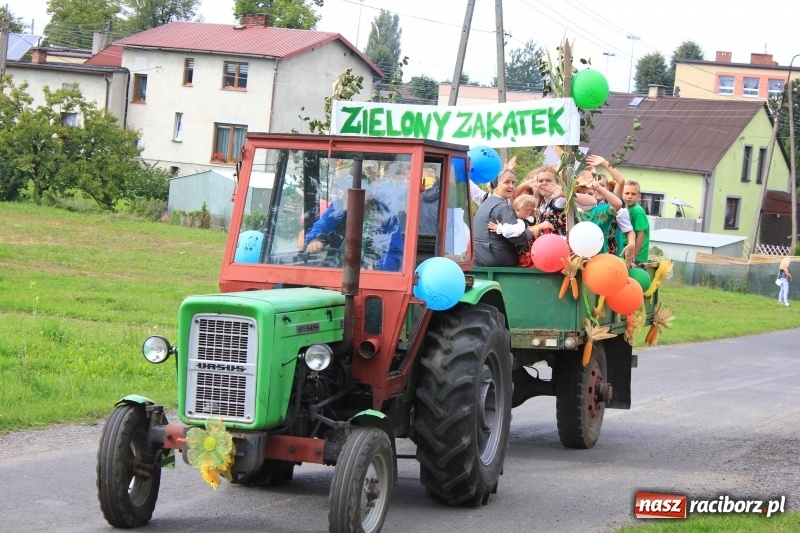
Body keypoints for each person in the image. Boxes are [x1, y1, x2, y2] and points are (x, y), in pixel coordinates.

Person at [305, 168, 405, 272]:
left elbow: (394, 253)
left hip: (370, 276)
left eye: (348, 192)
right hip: (336, 269)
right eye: (343, 191)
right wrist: (314, 240)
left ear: (366, 196)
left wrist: (376, 267)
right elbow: (322, 224)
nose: (343, 196)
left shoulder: (386, 216)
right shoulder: (339, 207)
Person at [473, 169, 534, 267]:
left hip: (480, 258)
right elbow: (517, 238)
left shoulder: (487, 203)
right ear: (496, 185)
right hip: (499, 259)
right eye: (506, 182)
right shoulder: (503, 206)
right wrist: (532, 230)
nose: (511, 186)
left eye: (513, 182)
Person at [487, 194, 553, 267]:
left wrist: (500, 228)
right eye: (528, 209)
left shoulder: (526, 220)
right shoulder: (519, 222)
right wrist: (500, 228)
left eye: (531, 209)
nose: (529, 212)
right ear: (519, 208)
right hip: (524, 253)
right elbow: (516, 231)